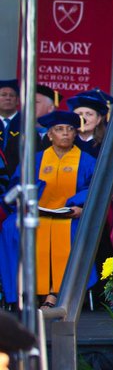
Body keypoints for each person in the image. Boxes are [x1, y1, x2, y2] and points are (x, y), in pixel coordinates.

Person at [0, 111, 96, 308]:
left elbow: (95, 189)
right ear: (50, 135)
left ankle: (54, 293)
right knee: (12, 228)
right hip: (37, 213)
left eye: (70, 129)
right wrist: (27, 204)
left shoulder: (87, 161)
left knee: (69, 231)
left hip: (70, 214)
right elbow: (17, 187)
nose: (65, 133)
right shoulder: (35, 160)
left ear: (75, 134)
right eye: (59, 129)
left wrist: (81, 207)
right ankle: (26, 290)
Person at [66, 89, 112, 156]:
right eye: (79, 114)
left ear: (98, 119)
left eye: (89, 114)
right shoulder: (62, 142)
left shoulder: (107, 143)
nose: (84, 119)